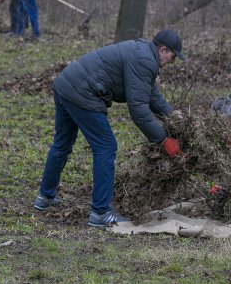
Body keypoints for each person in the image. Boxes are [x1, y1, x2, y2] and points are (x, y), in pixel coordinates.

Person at [34, 30, 186, 227]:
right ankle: (100, 213)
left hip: (66, 84)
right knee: (106, 147)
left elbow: (152, 96)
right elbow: (139, 111)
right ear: (163, 49)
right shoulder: (145, 60)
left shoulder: (142, 53)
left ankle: (45, 197)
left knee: (62, 144)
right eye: (172, 57)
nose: (171, 62)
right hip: (83, 93)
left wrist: (174, 117)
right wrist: (163, 141)